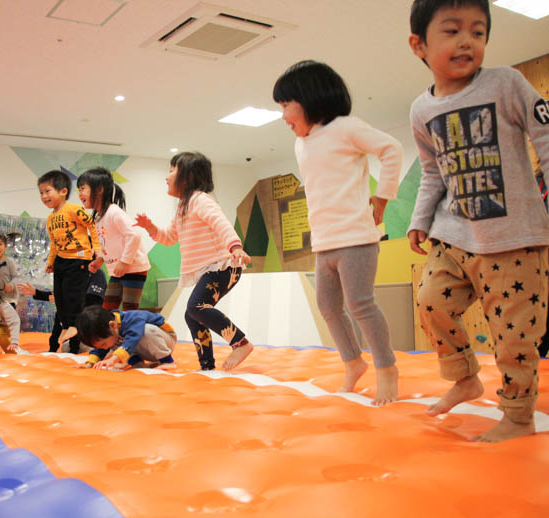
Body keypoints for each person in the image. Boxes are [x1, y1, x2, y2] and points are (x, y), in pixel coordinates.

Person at [407, 0, 549, 441]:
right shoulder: (421, 111)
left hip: (514, 240)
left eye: (478, 31)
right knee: (431, 299)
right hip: (455, 235)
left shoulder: (505, 83)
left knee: (513, 338)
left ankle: (518, 416)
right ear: (419, 46)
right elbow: (433, 172)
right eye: (451, 31)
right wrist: (419, 219)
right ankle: (464, 377)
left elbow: (545, 134)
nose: (467, 40)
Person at [273, 60, 403, 406]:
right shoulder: (302, 145)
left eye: (286, 105)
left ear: (310, 98)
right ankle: (353, 362)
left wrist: (382, 196)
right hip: (324, 241)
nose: (283, 115)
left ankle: (387, 368)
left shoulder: (346, 128)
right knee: (328, 306)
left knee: (361, 304)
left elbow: (391, 150)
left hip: (356, 238)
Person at [135, 151, 253, 371]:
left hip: (223, 266)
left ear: (187, 178)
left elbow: (221, 224)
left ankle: (240, 343)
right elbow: (169, 238)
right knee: (192, 315)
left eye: (172, 170)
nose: (167, 176)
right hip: (210, 270)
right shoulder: (182, 207)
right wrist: (151, 228)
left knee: (196, 307)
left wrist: (236, 247)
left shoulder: (200, 200)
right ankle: (206, 365)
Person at [39, 170, 101, 354]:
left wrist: (96, 247)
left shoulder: (73, 209)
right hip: (61, 260)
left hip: (79, 259)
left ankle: (74, 326)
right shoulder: (50, 219)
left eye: (47, 191)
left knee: (74, 296)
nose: (44, 196)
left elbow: (92, 225)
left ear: (63, 191)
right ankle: (68, 328)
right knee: (60, 297)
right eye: (41, 193)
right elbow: (54, 243)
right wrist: (51, 261)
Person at [77, 167, 151, 311]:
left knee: (130, 309)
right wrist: (100, 260)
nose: (80, 194)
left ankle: (131, 333)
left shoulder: (114, 212)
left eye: (82, 189)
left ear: (99, 189)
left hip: (133, 268)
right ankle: (114, 333)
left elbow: (134, 235)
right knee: (108, 308)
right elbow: (109, 244)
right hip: (118, 271)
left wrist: (124, 262)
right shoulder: (98, 217)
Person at [18, 269, 107, 352]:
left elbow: (93, 301)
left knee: (74, 346)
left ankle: (80, 344)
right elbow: (59, 295)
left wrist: (65, 299)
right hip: (73, 325)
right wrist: (37, 293)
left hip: (88, 329)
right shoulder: (72, 272)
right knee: (65, 346)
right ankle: (55, 348)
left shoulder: (96, 273)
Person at [76, 305, 177, 370]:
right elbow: (100, 348)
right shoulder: (111, 331)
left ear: (112, 325)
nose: (105, 348)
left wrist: (114, 358)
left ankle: (167, 361)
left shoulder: (132, 318)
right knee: (117, 342)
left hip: (167, 341)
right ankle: (138, 364)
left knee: (144, 331)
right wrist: (91, 363)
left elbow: (134, 337)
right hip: (146, 350)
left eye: (103, 344)